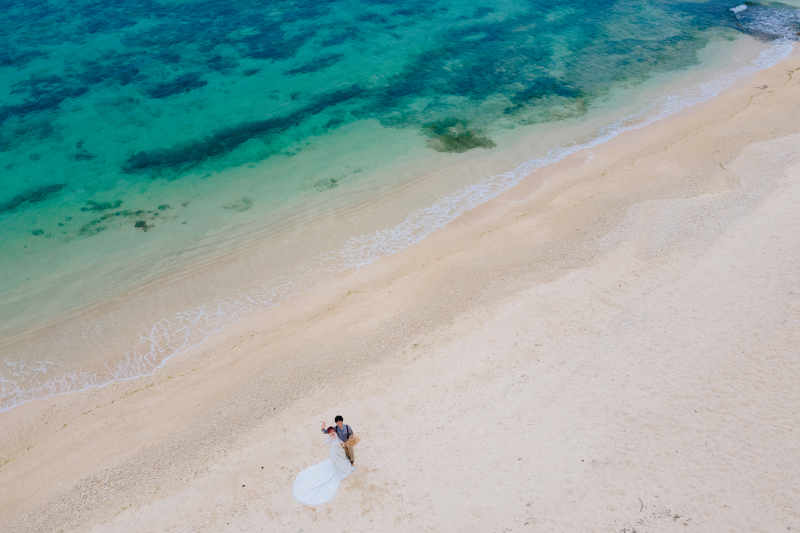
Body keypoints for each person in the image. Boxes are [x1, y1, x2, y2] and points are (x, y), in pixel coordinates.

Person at [292, 426, 356, 505]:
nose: (332, 433)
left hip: (339, 451)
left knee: (342, 458)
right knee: (336, 463)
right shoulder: (329, 438)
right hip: (334, 453)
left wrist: (344, 443)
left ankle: (344, 465)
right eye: (331, 432)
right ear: (329, 433)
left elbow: (339, 441)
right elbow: (326, 443)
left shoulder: (336, 435)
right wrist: (331, 439)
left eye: (333, 431)